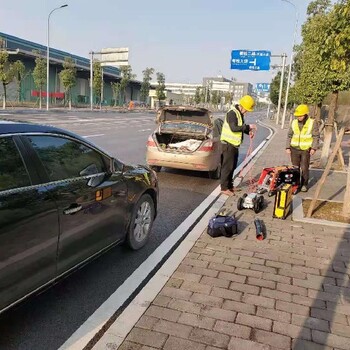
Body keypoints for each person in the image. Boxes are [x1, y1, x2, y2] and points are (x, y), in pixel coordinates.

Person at [220, 95, 257, 196]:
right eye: (247, 109)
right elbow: (234, 128)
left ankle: (230, 186)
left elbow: (240, 127)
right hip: (228, 145)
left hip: (234, 145)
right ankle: (224, 188)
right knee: (227, 167)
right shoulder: (232, 113)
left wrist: (248, 131)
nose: (247, 112)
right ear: (242, 106)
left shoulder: (239, 113)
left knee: (232, 167)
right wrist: (249, 126)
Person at [286, 104, 320, 192]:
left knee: (304, 168)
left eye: (300, 116)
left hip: (306, 149)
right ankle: (296, 184)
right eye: (297, 116)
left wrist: (314, 148)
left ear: (305, 115)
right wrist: (287, 147)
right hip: (294, 149)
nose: (298, 117)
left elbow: (316, 136)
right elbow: (289, 135)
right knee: (295, 168)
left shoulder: (312, 122)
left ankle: (304, 184)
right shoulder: (293, 122)